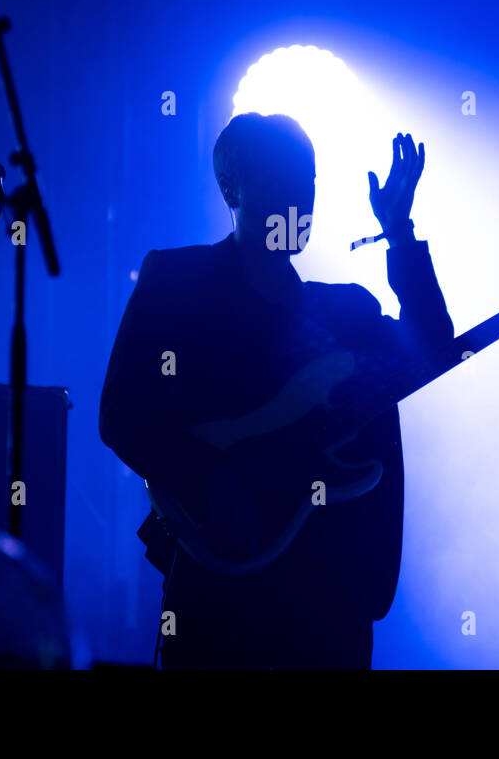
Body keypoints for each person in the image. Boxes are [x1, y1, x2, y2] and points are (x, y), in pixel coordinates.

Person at [99, 112, 453, 668]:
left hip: (331, 597)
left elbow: (432, 351)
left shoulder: (344, 309)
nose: (301, 191)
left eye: (308, 177)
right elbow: (122, 412)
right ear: (231, 187)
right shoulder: (176, 280)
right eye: (283, 174)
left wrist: (400, 232)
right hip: (219, 588)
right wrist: (210, 475)